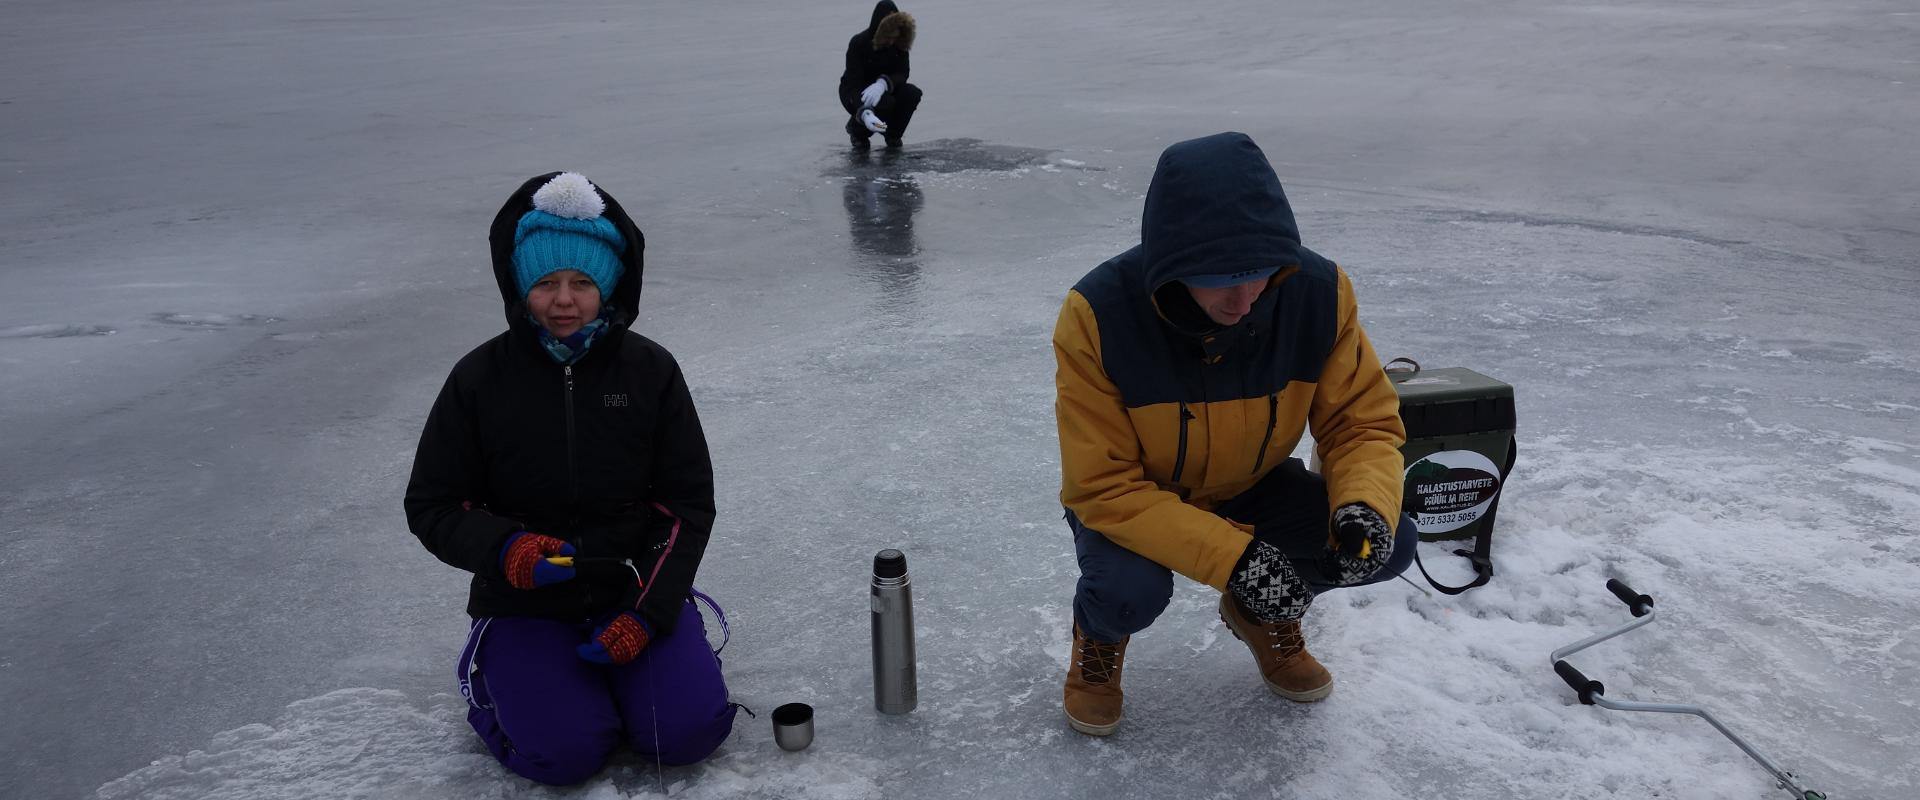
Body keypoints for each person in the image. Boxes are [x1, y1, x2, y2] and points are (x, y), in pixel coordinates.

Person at [1050, 132, 1418, 736]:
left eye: (1259, 274)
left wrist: (1362, 504)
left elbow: (1361, 424)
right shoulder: (1098, 316)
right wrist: (1236, 558)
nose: (1245, 301)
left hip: (1256, 484)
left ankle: (1256, 611)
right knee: (1127, 590)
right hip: (1136, 498)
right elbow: (1102, 487)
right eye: (1221, 278)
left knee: (1386, 542)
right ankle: (1099, 643)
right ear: (1172, 262)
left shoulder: (1318, 296)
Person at [405, 172, 735, 783]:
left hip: (631, 591)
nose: (564, 300)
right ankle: (500, 684)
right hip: (524, 604)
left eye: (582, 282)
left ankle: (640, 671)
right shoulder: (479, 380)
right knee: (566, 755)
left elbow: (685, 504)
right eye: (546, 283)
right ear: (519, 285)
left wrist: (647, 613)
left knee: (687, 735)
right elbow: (433, 503)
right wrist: (506, 548)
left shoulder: (650, 372)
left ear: (607, 284)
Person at [837, 1, 920, 150]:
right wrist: (864, 112)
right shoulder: (859, 43)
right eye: (889, 36)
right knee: (885, 103)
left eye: (896, 36)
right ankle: (857, 132)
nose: (892, 41)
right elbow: (853, 84)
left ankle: (893, 134)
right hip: (855, 91)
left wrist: (883, 83)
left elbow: (903, 73)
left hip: (885, 88)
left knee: (911, 93)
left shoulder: (900, 43)